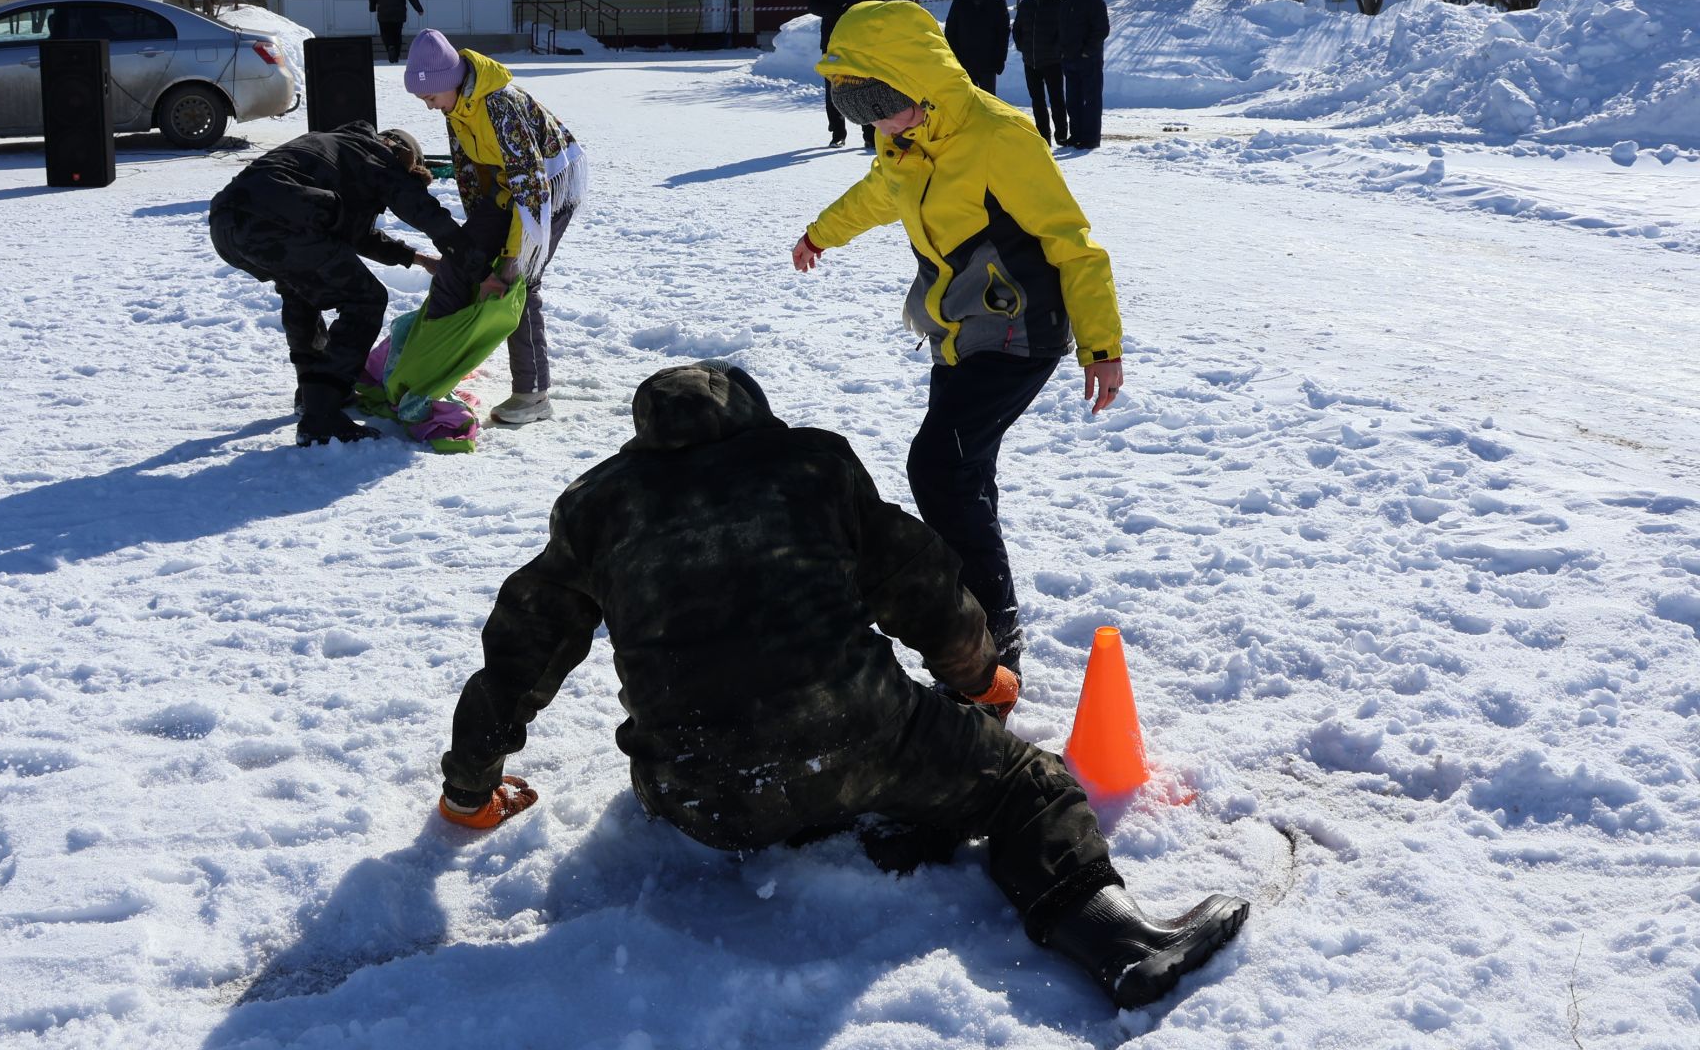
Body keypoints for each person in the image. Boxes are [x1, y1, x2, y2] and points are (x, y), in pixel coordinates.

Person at [436, 361, 1248, 1010]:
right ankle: (1122, 946)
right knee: (1026, 786)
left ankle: (831, 817)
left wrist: (469, 788)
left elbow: (521, 651)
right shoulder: (809, 464)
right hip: (861, 737)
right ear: (754, 415)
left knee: (760, 757)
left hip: (697, 795)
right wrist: (981, 678)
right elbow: (919, 582)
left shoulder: (595, 506)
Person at [791, 0, 1124, 675]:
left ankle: (990, 647)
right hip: (962, 333)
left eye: (888, 108)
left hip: (1021, 333)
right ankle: (983, 630)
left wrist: (1102, 346)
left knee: (940, 468)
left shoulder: (999, 138)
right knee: (965, 475)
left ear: (924, 87)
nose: (882, 127)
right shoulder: (904, 141)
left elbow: (1074, 244)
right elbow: (881, 193)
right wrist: (822, 233)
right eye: (868, 116)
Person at [210, 122, 467, 446]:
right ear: (400, 152)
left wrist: (417, 258)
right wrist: (464, 252)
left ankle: (313, 392)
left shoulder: (337, 147)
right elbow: (416, 204)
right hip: (279, 219)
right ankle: (322, 414)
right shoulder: (376, 153)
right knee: (366, 299)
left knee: (299, 290)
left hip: (226, 224)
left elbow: (355, 232)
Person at [404, 30, 587, 426]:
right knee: (461, 264)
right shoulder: (457, 107)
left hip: (550, 184)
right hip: (511, 188)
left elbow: (532, 187)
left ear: (448, 82)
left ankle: (533, 393)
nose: (430, 108)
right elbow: (471, 173)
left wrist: (510, 257)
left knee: (520, 283)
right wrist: (475, 249)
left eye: (430, 98)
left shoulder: (501, 105)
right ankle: (438, 367)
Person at [806, 0, 887, 150]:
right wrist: (835, 11)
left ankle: (870, 134)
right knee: (834, 87)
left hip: (862, 39)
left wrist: (862, 12)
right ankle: (838, 133)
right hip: (833, 40)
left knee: (866, 85)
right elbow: (813, 5)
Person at [1010, 0, 1068, 150]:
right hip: (1031, 61)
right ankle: (1044, 136)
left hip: (1053, 61)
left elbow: (1065, 31)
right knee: (1037, 101)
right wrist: (1023, 47)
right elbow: (1017, 29)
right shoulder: (1026, 4)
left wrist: (1058, 50)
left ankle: (1061, 135)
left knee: (1057, 99)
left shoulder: (1060, 2)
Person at [1057, 0, 1110, 150]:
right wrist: (1063, 51)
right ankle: (1076, 134)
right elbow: (1061, 29)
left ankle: (1091, 137)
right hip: (1069, 59)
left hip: (1089, 60)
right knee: (1073, 100)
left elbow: (1101, 29)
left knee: (1091, 100)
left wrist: (1088, 52)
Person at [943, 0, 1010, 96]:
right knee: (968, 100)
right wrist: (954, 59)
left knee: (988, 102)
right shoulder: (959, 3)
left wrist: (1000, 59)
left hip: (988, 63)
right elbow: (950, 32)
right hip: (965, 63)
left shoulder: (997, 3)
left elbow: (1003, 35)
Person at [368, 0, 425, 65]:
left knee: (385, 33)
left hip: (383, 13)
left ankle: (390, 47)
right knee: (397, 34)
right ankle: (396, 56)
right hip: (399, 13)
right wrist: (419, 9)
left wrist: (372, 7)